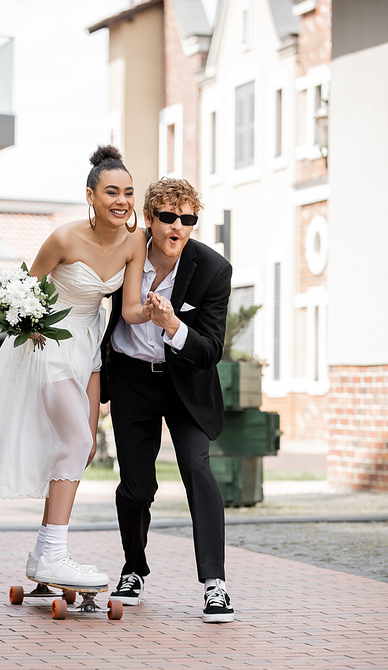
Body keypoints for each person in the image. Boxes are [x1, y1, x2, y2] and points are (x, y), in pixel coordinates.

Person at [0, 145, 151, 589]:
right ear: (91, 196)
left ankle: (43, 554)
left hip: (89, 350)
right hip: (48, 343)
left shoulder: (136, 241)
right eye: (112, 192)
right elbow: (22, 290)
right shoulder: (63, 238)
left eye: (129, 193)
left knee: (85, 447)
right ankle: (56, 554)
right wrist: (27, 322)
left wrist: (156, 313)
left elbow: (131, 307)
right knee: (77, 438)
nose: (122, 201)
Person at [101, 177, 234, 623]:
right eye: (169, 216)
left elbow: (211, 348)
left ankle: (215, 584)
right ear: (151, 218)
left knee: (197, 467)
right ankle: (133, 568)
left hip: (186, 385)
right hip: (131, 380)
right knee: (137, 488)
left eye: (188, 218)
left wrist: (175, 327)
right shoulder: (125, 250)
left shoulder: (213, 270)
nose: (179, 226)